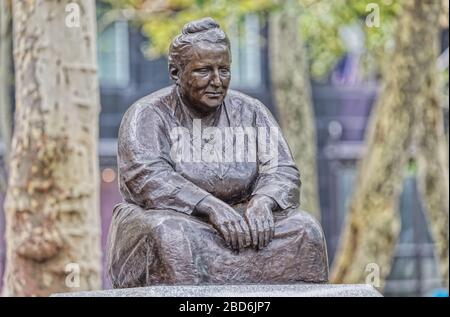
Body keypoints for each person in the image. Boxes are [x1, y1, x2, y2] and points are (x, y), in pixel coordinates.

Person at [107, 17, 328, 288]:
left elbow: (281, 169)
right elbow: (147, 177)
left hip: (243, 220)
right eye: (203, 70)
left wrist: (262, 202)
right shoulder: (147, 114)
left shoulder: (252, 111)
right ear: (176, 73)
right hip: (177, 220)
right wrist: (210, 206)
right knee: (170, 235)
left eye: (224, 70)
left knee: (305, 230)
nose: (216, 81)